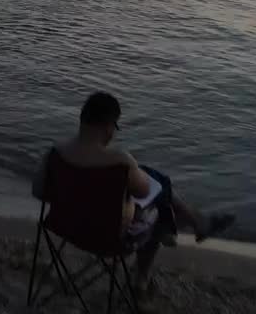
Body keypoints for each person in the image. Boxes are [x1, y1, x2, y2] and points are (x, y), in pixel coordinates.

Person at [31, 91, 234, 293]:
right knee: (159, 196)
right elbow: (145, 192)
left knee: (151, 180)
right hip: (110, 239)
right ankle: (143, 276)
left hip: (65, 227)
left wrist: (77, 198)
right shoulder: (120, 161)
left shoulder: (54, 153)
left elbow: (39, 191)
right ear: (109, 126)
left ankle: (188, 224)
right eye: (115, 126)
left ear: (82, 119)